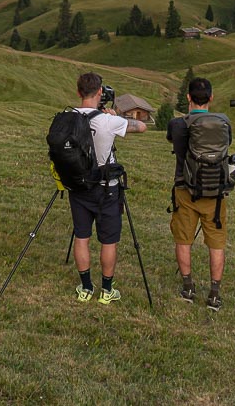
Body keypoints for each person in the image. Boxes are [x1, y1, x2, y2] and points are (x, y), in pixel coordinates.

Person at [69, 72, 147, 304]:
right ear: (100, 92)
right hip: (106, 189)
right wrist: (115, 116)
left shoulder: (68, 117)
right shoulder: (108, 121)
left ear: (78, 92)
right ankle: (106, 290)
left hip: (78, 185)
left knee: (81, 237)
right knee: (108, 240)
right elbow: (141, 126)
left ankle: (85, 288)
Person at [167, 77, 232, 311]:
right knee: (216, 243)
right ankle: (214, 294)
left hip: (185, 189)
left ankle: (188, 287)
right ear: (211, 98)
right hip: (215, 194)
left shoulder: (178, 124)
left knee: (183, 239)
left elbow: (173, 144)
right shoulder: (224, 122)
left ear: (188, 97)